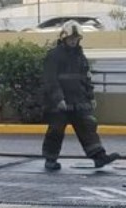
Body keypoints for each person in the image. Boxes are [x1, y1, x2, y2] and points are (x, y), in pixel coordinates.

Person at [41, 20, 120, 171]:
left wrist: (90, 97)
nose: (73, 41)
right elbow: (50, 79)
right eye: (71, 39)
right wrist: (58, 99)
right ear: (64, 38)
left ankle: (99, 157)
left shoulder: (80, 56)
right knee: (56, 130)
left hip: (79, 100)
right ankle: (50, 159)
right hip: (60, 102)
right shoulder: (54, 55)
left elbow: (85, 77)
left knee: (88, 127)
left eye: (76, 39)